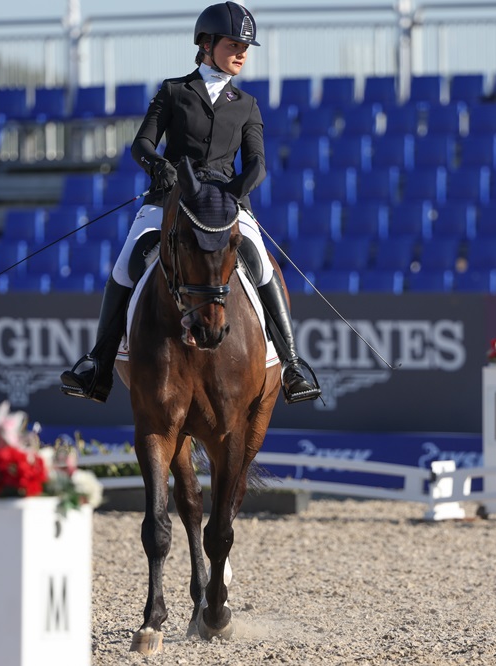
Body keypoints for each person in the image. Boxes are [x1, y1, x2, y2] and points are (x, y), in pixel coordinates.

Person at [60, 1, 322, 406]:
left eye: (246, 47)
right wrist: (159, 166)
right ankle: (99, 362)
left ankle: (291, 364)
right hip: (170, 198)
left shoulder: (247, 104)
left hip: (226, 203)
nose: (241, 54)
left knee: (258, 263)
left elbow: (257, 166)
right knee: (126, 262)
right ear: (206, 43)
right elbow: (141, 144)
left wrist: (233, 195)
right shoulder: (174, 91)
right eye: (234, 44)